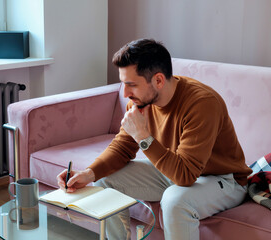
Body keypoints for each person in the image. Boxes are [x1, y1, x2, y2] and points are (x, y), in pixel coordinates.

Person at [57, 38, 252, 240]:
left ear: (158, 80)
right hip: (173, 169)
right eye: (123, 84)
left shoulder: (202, 104)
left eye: (131, 84)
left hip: (223, 180)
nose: (125, 93)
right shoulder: (140, 101)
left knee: (175, 201)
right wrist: (89, 173)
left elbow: (185, 175)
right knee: (104, 180)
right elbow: (123, 147)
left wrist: (143, 136)